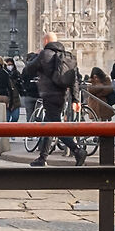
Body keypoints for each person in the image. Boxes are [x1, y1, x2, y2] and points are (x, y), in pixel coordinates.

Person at [30, 32, 83, 163]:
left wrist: (35, 58)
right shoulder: (68, 56)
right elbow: (75, 79)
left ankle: (77, 150)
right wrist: (75, 99)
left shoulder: (44, 54)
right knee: (50, 124)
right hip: (62, 95)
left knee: (54, 126)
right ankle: (42, 158)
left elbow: (28, 69)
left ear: (46, 41)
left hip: (49, 94)